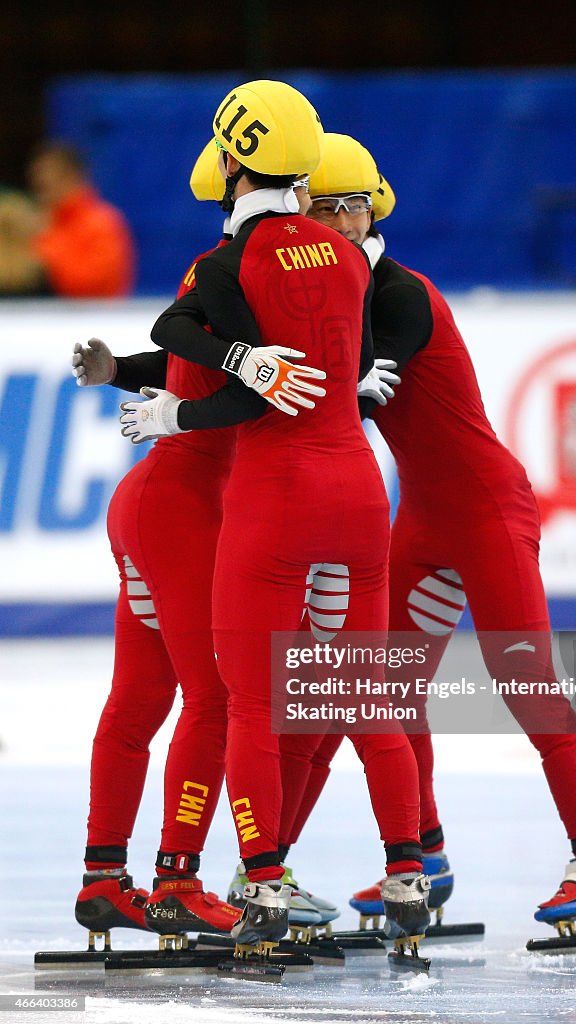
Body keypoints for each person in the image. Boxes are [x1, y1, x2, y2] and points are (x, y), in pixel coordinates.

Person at [277, 132, 576, 936]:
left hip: (484, 508)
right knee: (381, 687)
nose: (335, 222)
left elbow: (351, 400)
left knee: (526, 680)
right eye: (320, 208)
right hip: (426, 516)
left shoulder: (396, 294)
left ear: (375, 208)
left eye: (349, 206)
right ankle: (425, 856)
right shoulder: (329, 290)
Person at [120, 79, 430, 957]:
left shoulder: (231, 265)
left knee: (254, 704)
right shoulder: (347, 257)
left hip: (276, 495)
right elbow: (354, 362)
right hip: (360, 491)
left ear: (229, 163)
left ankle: (261, 881)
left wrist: (230, 364)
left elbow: (177, 333)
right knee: (363, 688)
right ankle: (408, 872)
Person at [72, 153, 340, 941]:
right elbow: (230, 378)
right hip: (185, 506)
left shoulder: (224, 266)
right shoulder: (259, 270)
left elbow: (189, 359)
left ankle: (102, 878)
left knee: (141, 700)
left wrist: (126, 373)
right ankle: (175, 881)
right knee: (216, 698)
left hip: (157, 503)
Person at [27, 142, 136, 297]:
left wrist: (46, 243)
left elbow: (89, 286)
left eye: (46, 184)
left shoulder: (102, 223)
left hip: (94, 318)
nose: (40, 193)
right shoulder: (45, 220)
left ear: (71, 176)